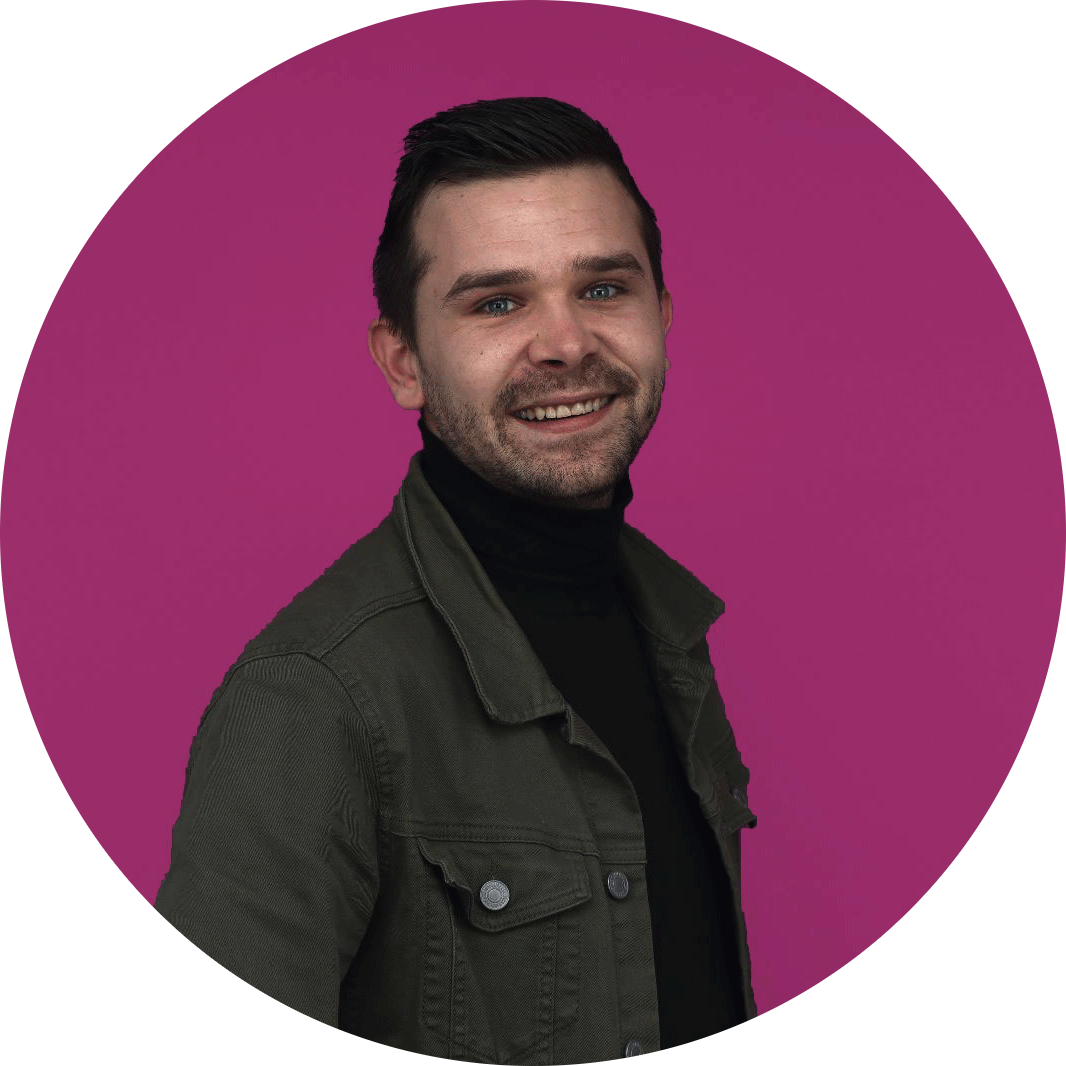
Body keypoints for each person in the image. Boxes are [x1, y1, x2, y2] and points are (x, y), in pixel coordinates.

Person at [155, 96, 758, 1059]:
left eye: (604, 287)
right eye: (497, 303)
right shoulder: (310, 699)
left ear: (664, 315)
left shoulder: (670, 633)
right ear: (403, 362)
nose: (567, 343)